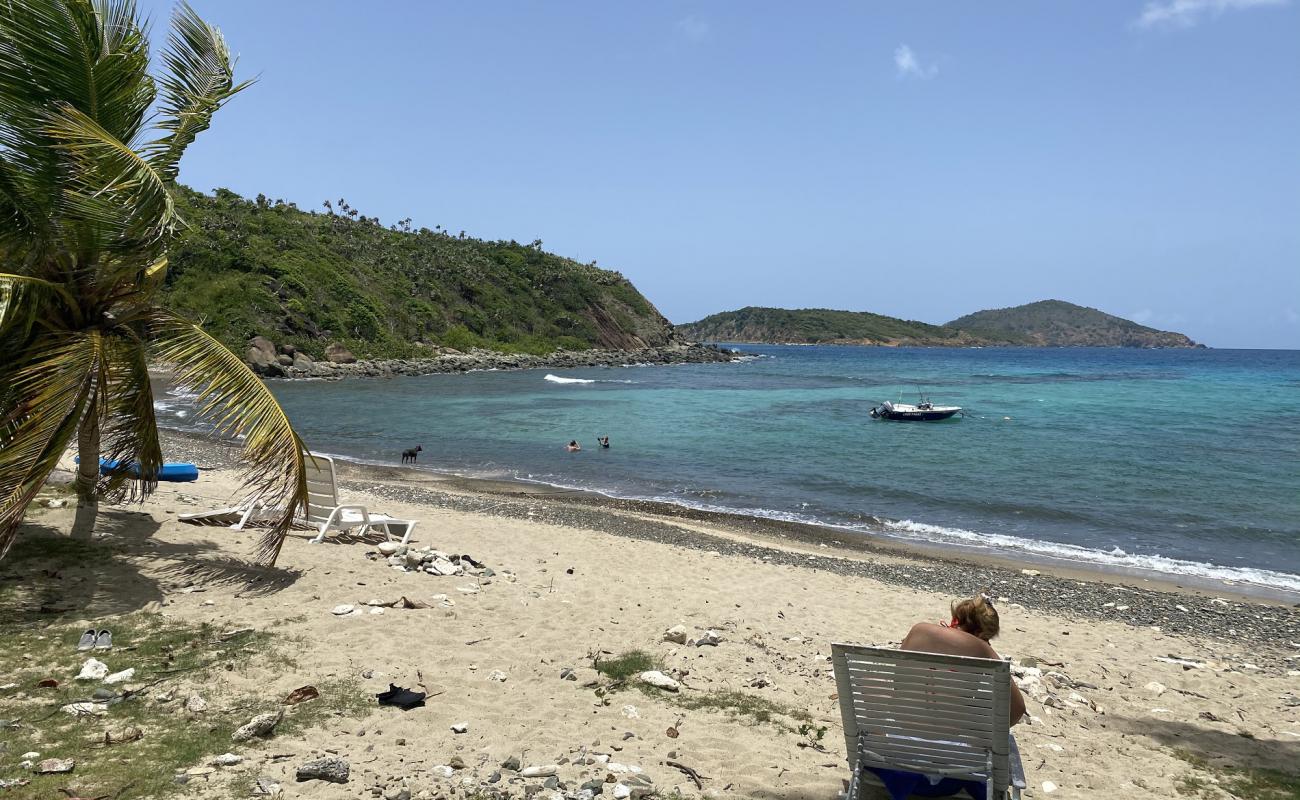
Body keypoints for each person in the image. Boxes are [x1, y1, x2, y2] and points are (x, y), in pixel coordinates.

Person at [900, 594, 1026, 726]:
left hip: (898, 734)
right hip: (949, 741)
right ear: (981, 634)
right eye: (988, 639)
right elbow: (1018, 709)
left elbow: (897, 681)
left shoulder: (919, 630)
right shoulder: (982, 649)